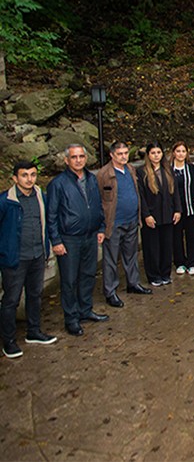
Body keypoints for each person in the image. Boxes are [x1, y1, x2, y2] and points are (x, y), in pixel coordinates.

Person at [47, 145, 108, 336]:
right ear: (67, 160)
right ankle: (71, 318)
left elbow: (98, 205)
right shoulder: (58, 183)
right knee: (69, 280)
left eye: (82, 156)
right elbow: (52, 214)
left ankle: (85, 310)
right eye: (74, 157)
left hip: (90, 236)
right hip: (69, 238)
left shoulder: (91, 179)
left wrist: (101, 227)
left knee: (88, 275)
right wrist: (56, 240)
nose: (78, 160)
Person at [1, 161, 56, 358]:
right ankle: (8, 341)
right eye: (24, 175)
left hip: (37, 255)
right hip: (15, 259)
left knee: (35, 295)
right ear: (15, 178)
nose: (29, 179)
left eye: (32, 175)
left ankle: (34, 331)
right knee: (11, 300)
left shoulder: (41, 196)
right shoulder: (6, 201)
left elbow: (48, 221)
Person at [96, 141, 149, 309]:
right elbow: (99, 200)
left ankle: (133, 283)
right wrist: (102, 225)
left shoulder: (130, 169)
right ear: (112, 155)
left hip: (132, 220)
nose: (124, 156)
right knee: (111, 259)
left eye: (126, 153)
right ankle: (110, 291)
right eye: (120, 154)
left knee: (131, 254)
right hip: (114, 222)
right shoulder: (104, 174)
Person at [137, 141, 181, 286]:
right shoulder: (142, 172)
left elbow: (175, 193)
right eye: (153, 153)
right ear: (148, 155)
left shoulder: (167, 170)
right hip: (151, 215)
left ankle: (165, 273)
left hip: (167, 214)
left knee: (167, 246)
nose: (156, 156)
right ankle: (153, 275)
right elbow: (141, 196)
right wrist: (146, 215)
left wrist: (177, 210)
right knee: (152, 247)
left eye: (158, 152)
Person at [171, 141, 194, 276]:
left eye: (183, 151)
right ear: (173, 153)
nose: (181, 154)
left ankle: (192, 263)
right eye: (178, 151)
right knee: (176, 237)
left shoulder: (192, 168)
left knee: (192, 236)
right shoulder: (168, 170)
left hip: (190, 207)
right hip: (175, 210)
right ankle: (180, 263)